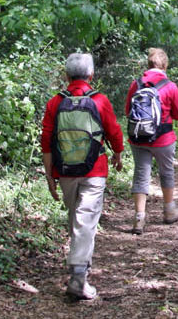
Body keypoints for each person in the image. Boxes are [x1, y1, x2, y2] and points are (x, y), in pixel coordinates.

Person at [40, 53, 125, 301]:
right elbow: (113, 131)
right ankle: (79, 277)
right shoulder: (99, 100)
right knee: (85, 219)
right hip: (94, 169)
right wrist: (118, 154)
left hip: (65, 170)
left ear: (66, 76)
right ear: (91, 75)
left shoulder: (55, 103)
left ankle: (79, 270)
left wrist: (49, 176)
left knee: (77, 217)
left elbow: (46, 141)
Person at [125, 47, 178, 234]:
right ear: (165, 65)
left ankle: (139, 218)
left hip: (138, 138)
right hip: (164, 139)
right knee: (166, 172)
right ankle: (169, 210)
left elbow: (128, 111)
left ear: (148, 65)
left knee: (141, 175)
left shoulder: (136, 84)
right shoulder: (170, 86)